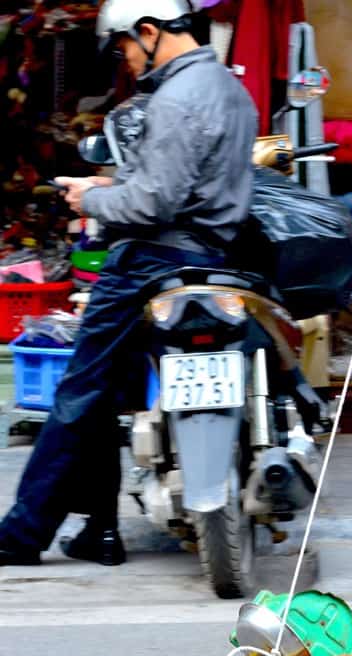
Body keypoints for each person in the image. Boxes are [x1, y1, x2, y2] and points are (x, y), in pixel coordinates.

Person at [0, 0, 257, 567]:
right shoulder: (232, 89)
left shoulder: (173, 97)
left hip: (150, 260)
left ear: (150, 32)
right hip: (215, 258)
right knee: (102, 392)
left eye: (124, 48)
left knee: (80, 390)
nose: (126, 61)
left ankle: (22, 533)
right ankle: (101, 529)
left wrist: (89, 195)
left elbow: (152, 202)